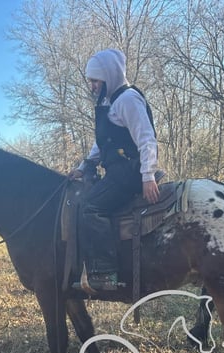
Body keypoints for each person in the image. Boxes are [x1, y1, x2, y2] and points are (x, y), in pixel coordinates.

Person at [68, 48, 160, 292]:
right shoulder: (111, 103)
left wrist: (148, 176)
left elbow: (146, 138)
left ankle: (105, 274)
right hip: (118, 171)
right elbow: (102, 144)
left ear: (109, 77)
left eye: (96, 81)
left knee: (90, 207)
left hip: (129, 172)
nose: (92, 86)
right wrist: (83, 167)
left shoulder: (128, 99)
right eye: (91, 81)